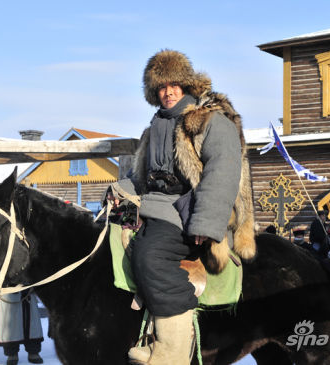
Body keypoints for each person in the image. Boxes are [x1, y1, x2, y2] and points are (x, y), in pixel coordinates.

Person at [107, 49, 256, 364]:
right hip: (157, 205)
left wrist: (206, 223)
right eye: (160, 87)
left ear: (186, 85)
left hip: (191, 209)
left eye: (173, 84)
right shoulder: (155, 127)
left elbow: (223, 171)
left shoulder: (210, 120)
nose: (167, 92)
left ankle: (173, 352)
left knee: (151, 255)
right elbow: (142, 177)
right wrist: (119, 189)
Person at [0, 290, 44, 365]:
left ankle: (33, 351)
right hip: (7, 291)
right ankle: (12, 354)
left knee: (32, 324)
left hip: (27, 289)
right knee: (10, 327)